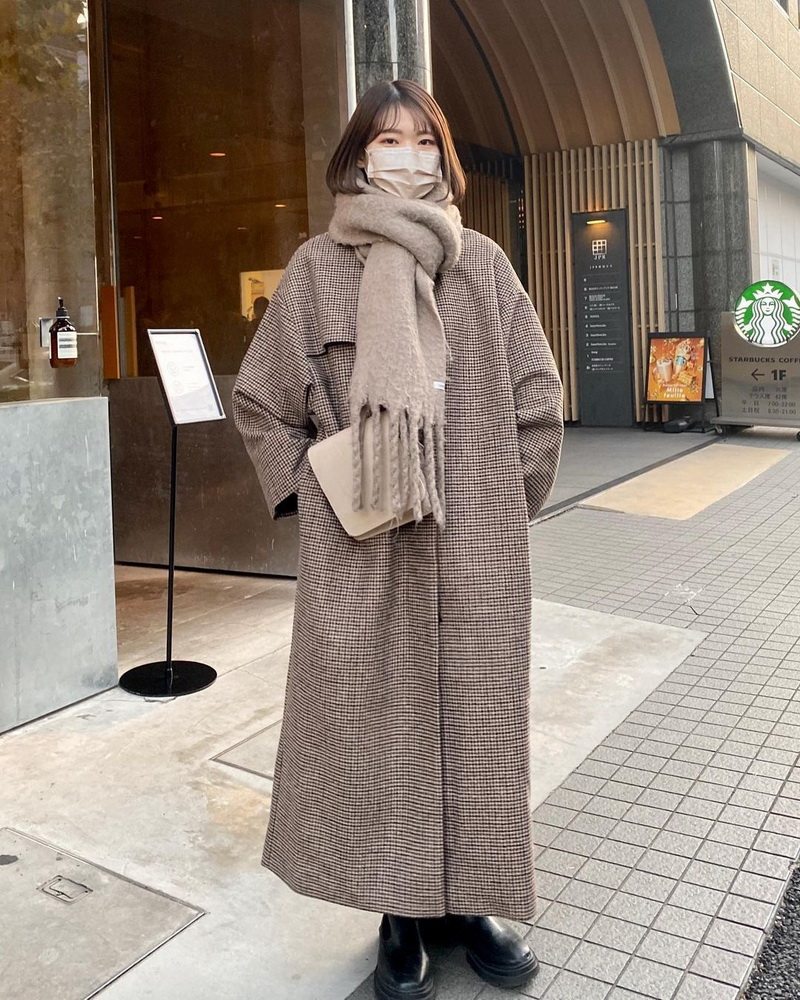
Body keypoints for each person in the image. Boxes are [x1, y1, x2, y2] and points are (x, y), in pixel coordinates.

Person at [233, 79, 563, 1000]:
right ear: (358, 157)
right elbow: (262, 403)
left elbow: (538, 398)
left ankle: (471, 905)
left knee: (478, 729)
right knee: (380, 737)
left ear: (443, 156)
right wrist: (325, 498)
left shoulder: (484, 266)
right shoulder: (316, 269)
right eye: (387, 140)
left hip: (475, 551)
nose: (406, 156)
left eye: (423, 140)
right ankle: (399, 914)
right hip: (364, 550)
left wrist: (501, 502)